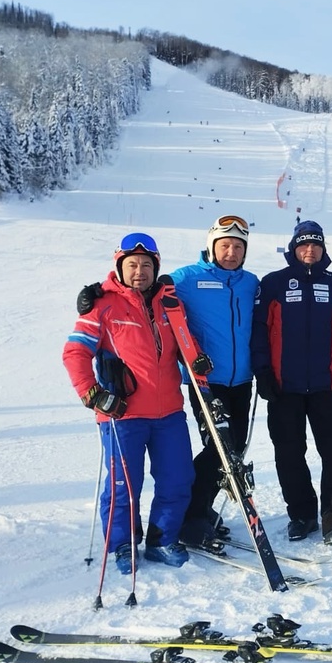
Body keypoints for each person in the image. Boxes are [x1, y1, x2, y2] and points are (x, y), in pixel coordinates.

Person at [63, 233, 200, 574]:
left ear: (156, 267)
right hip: (122, 412)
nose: (139, 272)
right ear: (120, 267)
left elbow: (186, 345)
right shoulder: (102, 305)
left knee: (178, 478)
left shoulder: (171, 303)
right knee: (124, 484)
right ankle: (124, 543)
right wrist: (91, 393)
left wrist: (199, 362)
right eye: (132, 265)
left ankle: (162, 539)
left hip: (169, 411)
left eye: (146, 265)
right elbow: (75, 352)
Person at [251, 220, 332, 544]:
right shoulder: (273, 283)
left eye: (316, 245)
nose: (310, 250)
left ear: (323, 249)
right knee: (289, 453)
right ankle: (301, 515)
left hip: (328, 385)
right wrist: (262, 371)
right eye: (304, 244)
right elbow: (259, 330)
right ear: (294, 247)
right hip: (284, 387)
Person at [168, 215, 259, 547]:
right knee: (218, 449)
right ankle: (190, 517)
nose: (231, 252)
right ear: (212, 247)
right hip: (206, 380)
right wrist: (101, 292)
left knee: (233, 448)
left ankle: (202, 510)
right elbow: (145, 290)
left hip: (242, 380)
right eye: (225, 246)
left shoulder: (250, 283)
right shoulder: (189, 278)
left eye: (238, 247)